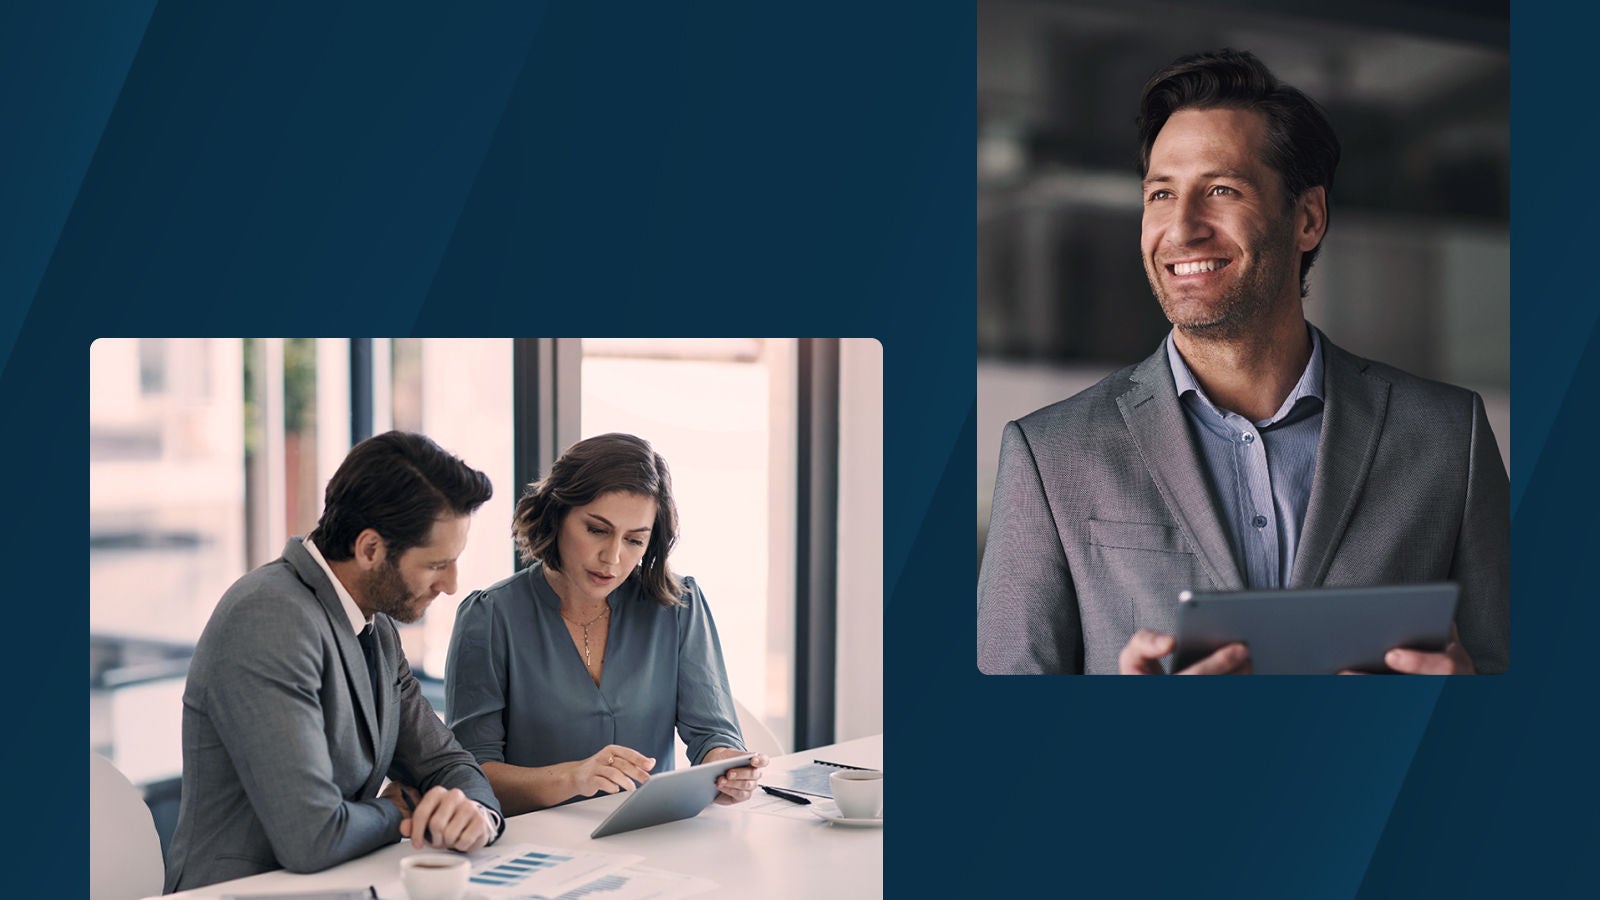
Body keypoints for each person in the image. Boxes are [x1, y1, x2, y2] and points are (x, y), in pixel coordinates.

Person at [976, 49, 1509, 676]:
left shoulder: (1450, 436)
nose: (1182, 228)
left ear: (1308, 218)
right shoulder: (1049, 454)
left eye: (1221, 189)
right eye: (1161, 194)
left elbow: (1528, 709)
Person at [164, 432, 504, 893]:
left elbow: (445, 760)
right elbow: (313, 836)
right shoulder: (267, 617)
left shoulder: (375, 628)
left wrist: (473, 812)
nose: (451, 585)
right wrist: (402, 812)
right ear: (369, 549)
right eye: (436, 565)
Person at [444, 432, 766, 816]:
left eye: (634, 540)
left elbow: (712, 734)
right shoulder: (490, 617)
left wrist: (728, 766)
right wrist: (573, 777)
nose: (612, 558)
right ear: (557, 515)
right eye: (597, 530)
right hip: (533, 848)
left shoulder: (678, 607)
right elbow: (469, 776)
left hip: (649, 837)